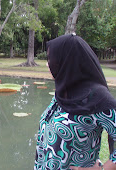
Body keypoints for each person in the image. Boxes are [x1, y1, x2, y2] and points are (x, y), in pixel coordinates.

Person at [34, 34, 116, 170]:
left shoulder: (98, 98)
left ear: (68, 60)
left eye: (51, 59)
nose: (48, 64)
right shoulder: (65, 91)